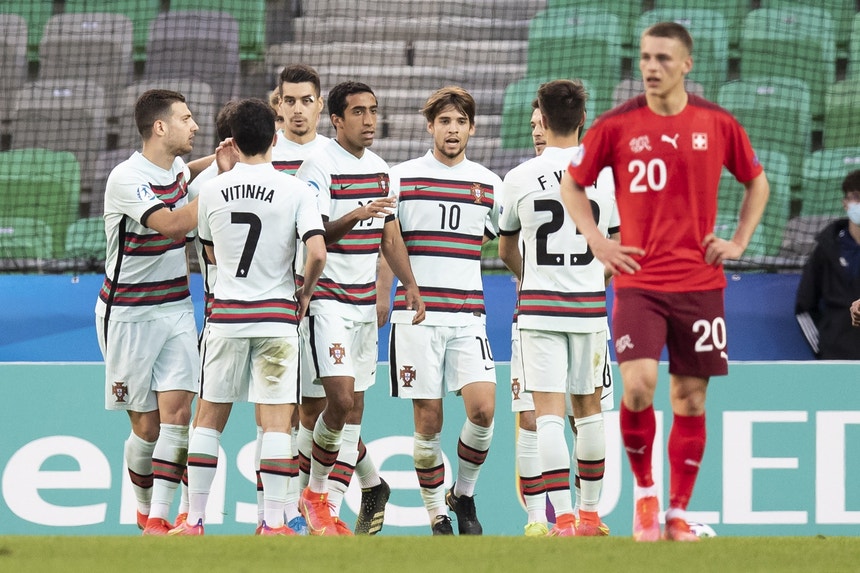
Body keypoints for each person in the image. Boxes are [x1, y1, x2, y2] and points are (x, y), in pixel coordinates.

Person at [560, 21, 770, 542]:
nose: (651, 67)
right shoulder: (617, 124)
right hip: (639, 281)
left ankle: (678, 514)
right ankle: (647, 495)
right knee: (636, 388)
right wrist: (599, 242)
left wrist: (739, 242)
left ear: (686, 65)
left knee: (691, 398)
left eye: (662, 59)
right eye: (645, 57)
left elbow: (756, 181)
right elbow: (573, 183)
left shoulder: (717, 122)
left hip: (701, 284)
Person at [169, 98, 327, 536]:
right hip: (277, 317)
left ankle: (194, 519)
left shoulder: (211, 190)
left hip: (226, 317)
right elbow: (317, 251)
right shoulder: (297, 190)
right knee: (277, 423)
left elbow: (209, 252)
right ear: (275, 139)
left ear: (233, 142)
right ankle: (274, 522)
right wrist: (305, 292)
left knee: (208, 420)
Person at [295, 80, 425, 536]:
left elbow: (390, 235)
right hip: (325, 297)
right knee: (338, 399)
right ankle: (312, 495)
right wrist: (356, 213)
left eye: (373, 111)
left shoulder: (383, 169)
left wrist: (409, 285)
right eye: (359, 112)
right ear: (337, 120)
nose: (370, 120)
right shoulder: (317, 166)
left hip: (363, 303)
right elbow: (316, 234)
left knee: (353, 412)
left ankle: (327, 509)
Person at [96, 89, 220, 535]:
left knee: (178, 416)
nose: (196, 126)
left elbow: (190, 172)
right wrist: (228, 191)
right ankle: (144, 508)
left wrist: (223, 161)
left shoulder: (176, 169)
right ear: (160, 127)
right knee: (146, 429)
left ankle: (161, 520)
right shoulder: (126, 178)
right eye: (187, 119)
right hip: (127, 314)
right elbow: (170, 225)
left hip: (176, 307)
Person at [377, 86, 500, 536]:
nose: (452, 130)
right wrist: (382, 296)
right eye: (444, 121)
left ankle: (463, 493)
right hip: (417, 319)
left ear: (471, 127)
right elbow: (385, 243)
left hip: (469, 316)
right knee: (428, 422)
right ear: (430, 126)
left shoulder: (489, 184)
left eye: (460, 122)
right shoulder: (401, 178)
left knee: (484, 410)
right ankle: (437, 515)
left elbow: (504, 240)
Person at [500, 79, 618, 537]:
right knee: (589, 411)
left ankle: (563, 518)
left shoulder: (520, 177)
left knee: (547, 414)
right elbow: (619, 247)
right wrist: (591, 279)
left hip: (538, 312)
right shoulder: (607, 176)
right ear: (582, 120)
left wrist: (529, 278)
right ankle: (590, 517)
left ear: (542, 121)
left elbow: (506, 247)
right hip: (589, 310)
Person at [795, 170, 860, 359]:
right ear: (845, 203)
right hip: (835, 355)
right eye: (855, 197)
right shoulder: (826, 248)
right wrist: (822, 346)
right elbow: (804, 307)